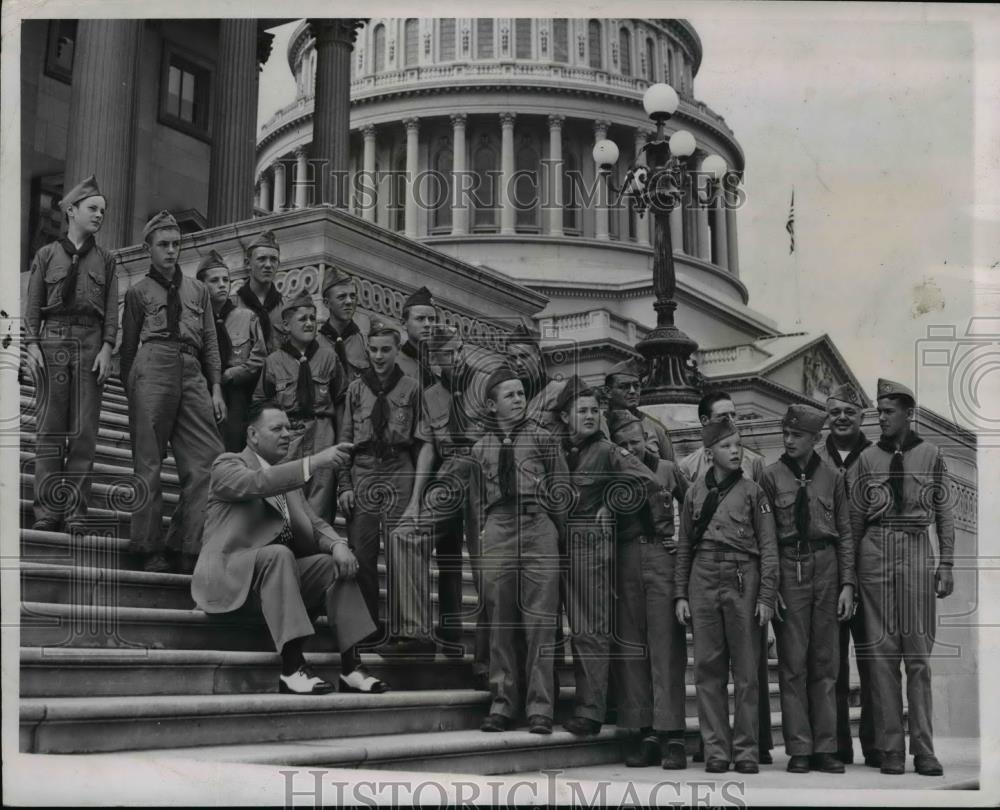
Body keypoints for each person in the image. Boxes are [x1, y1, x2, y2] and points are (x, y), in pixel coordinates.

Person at [191, 401, 384, 695]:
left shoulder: (288, 481)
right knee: (280, 555)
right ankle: (292, 668)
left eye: (289, 428)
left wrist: (337, 545)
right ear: (253, 435)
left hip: (275, 584)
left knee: (331, 564)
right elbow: (257, 482)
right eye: (276, 428)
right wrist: (314, 462)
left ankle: (351, 668)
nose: (287, 434)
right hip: (230, 578)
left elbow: (315, 523)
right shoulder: (227, 465)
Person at [555, 383, 676, 742]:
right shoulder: (558, 451)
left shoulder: (609, 451)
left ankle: (590, 711)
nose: (590, 416)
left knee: (590, 630)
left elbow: (649, 483)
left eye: (594, 410)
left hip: (591, 550)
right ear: (565, 418)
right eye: (582, 411)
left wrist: (616, 504)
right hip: (558, 544)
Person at [851, 378, 954, 777]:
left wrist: (946, 563)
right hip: (874, 551)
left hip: (914, 549)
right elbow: (855, 519)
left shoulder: (932, 455)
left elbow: (944, 514)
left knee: (918, 658)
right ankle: (891, 749)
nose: (881, 418)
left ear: (908, 413)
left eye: (888, 411)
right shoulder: (867, 459)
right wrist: (850, 576)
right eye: (878, 411)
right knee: (880, 657)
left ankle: (924, 750)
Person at [120, 211, 225, 574]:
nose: (170, 251)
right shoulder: (137, 293)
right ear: (147, 248)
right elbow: (128, 348)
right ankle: (148, 547)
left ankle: (187, 544)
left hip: (193, 368)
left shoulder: (198, 291)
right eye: (163, 245)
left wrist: (216, 387)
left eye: (176, 244)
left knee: (209, 461)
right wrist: (134, 388)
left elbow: (210, 341)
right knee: (148, 461)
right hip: (153, 365)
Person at [674, 418, 778, 774]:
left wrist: (766, 596)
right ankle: (716, 749)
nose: (735, 451)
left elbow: (768, 547)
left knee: (747, 671)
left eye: (738, 445)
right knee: (707, 669)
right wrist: (680, 594)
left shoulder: (754, 492)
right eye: (726, 446)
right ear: (709, 453)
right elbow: (685, 545)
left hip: (742, 577)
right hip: (702, 578)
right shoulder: (694, 493)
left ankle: (746, 751)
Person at [760, 404, 856, 774]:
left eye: (797, 435)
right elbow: (765, 537)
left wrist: (847, 584)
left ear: (816, 439)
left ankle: (826, 748)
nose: (788, 440)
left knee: (826, 664)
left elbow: (845, 533)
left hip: (827, 570)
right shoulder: (770, 477)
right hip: (788, 568)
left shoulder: (833, 477)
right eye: (786, 433)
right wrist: (772, 587)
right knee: (792, 665)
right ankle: (799, 747)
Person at [474, 365, 568, 735]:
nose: (518, 400)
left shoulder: (544, 439)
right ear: (491, 404)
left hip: (538, 524)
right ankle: (502, 702)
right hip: (499, 526)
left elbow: (561, 491)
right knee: (501, 619)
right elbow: (476, 498)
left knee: (540, 621)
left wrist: (559, 537)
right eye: (509, 395)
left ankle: (541, 707)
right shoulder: (480, 447)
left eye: (520, 393)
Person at [23, 175, 118, 532]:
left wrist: (108, 348)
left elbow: (111, 310)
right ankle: (47, 513)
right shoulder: (46, 255)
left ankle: (76, 513)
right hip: (53, 342)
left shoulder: (106, 261)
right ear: (72, 211)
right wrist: (32, 345)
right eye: (93, 209)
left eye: (103, 211)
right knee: (49, 431)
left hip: (91, 344)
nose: (99, 216)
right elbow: (33, 306)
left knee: (83, 433)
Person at [607, 409, 690, 769]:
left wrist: (684, 542)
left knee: (665, 647)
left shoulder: (668, 471)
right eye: (622, 444)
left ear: (647, 439)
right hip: (626, 559)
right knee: (633, 648)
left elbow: (695, 509)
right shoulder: (613, 472)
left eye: (635, 442)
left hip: (661, 558)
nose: (630, 449)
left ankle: (672, 734)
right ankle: (645, 733)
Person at [338, 318, 422, 664]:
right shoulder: (356, 390)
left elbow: (420, 442)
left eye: (385, 349)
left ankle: (406, 631)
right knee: (363, 551)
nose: (378, 356)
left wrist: (419, 492)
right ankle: (368, 627)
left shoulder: (413, 389)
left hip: (399, 468)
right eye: (372, 349)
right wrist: (344, 483)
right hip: (365, 470)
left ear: (397, 350)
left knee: (402, 549)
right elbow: (344, 439)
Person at [815, 382, 876, 766]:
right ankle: (837, 746)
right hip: (824, 574)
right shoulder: (814, 459)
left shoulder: (877, 456)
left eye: (849, 412)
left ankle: (875, 745)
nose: (841, 418)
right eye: (834, 411)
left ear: (861, 417)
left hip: (868, 573)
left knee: (872, 663)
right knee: (830, 664)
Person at [255, 290, 344, 526]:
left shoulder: (329, 357)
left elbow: (342, 401)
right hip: (288, 436)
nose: (309, 323)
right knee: (285, 501)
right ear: (286, 324)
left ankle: (317, 555)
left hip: (322, 433)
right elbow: (260, 404)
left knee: (320, 502)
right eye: (302, 319)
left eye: (313, 318)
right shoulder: (274, 361)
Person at [196, 250, 266, 452]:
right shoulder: (196, 319)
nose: (222, 285)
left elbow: (260, 357)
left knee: (234, 448)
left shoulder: (247, 317)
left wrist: (232, 374)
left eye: (226, 280)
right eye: (214, 280)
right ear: (202, 285)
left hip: (237, 395)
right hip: (203, 391)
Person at [605, 359, 674, 460]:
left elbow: (670, 469)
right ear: (608, 392)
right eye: (624, 387)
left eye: (636, 386)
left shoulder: (656, 428)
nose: (633, 391)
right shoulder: (600, 427)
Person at [316, 265, 369, 390]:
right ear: (326, 303)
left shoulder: (367, 344)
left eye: (352, 296)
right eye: (342, 297)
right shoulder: (314, 343)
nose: (349, 301)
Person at [234, 229, 286, 353]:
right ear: (248, 263)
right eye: (261, 259)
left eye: (273, 259)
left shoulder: (287, 307)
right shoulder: (232, 305)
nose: (268, 265)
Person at [396, 286, 440, 386]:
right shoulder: (394, 364)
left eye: (432, 319)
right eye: (420, 319)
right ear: (404, 323)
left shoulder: (440, 366)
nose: (427, 324)